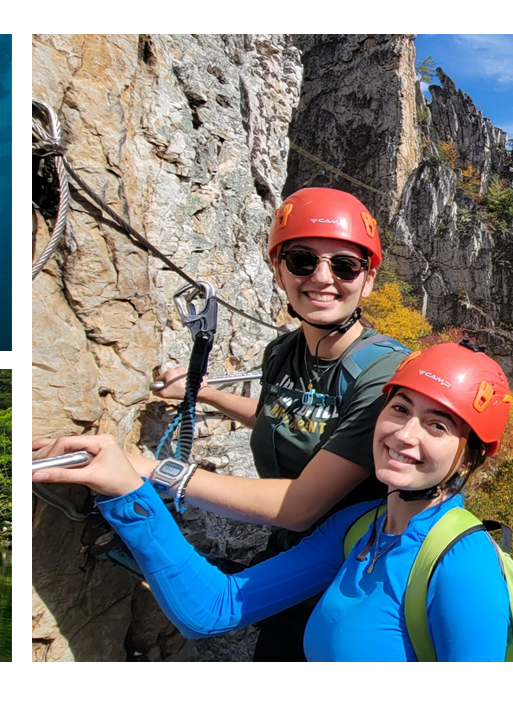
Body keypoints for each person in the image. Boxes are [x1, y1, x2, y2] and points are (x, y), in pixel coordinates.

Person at [33, 342, 513, 660]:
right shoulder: (359, 528)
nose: (404, 435)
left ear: (469, 458)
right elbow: (214, 609)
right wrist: (127, 494)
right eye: (400, 409)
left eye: (437, 426)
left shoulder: (462, 563)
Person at [138, 187, 408, 659]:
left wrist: (154, 472)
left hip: (352, 574)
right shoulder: (283, 353)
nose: (323, 278)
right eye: (303, 260)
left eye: (344, 266)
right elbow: (279, 419)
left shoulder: (384, 374)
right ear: (279, 270)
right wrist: (204, 393)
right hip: (290, 550)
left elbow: (301, 506)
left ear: (367, 281)